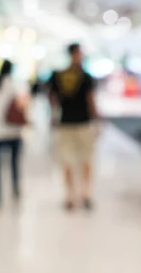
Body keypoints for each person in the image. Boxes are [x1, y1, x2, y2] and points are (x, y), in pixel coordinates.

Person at [49, 44, 99, 211]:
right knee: (82, 159)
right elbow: (91, 99)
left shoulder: (58, 75)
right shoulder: (85, 77)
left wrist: (53, 116)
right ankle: (81, 193)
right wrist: (97, 118)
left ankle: (75, 194)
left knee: (71, 159)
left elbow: (53, 98)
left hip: (66, 122)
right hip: (82, 123)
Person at [0, 60, 29, 210]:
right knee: (14, 163)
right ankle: (15, 189)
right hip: (12, 131)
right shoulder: (13, 84)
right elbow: (21, 103)